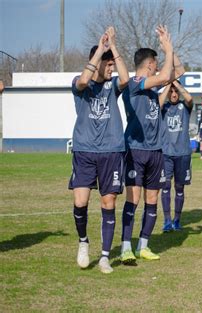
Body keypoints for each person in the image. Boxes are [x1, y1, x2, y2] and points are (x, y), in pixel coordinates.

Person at [120, 25, 184, 265]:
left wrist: (171, 49)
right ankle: (126, 247)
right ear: (148, 65)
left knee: (152, 199)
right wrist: (166, 50)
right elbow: (167, 75)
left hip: (156, 150)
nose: (158, 67)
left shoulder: (151, 88)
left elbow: (179, 71)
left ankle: (143, 245)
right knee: (133, 200)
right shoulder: (135, 82)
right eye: (156, 63)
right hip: (135, 149)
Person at [69, 27, 129, 274]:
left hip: (112, 151)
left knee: (109, 201)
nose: (111, 68)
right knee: (80, 201)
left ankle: (105, 256)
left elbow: (126, 79)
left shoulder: (113, 85)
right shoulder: (79, 82)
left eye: (111, 64)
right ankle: (83, 241)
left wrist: (113, 47)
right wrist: (99, 50)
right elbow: (84, 80)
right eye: (107, 64)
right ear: (96, 63)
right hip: (84, 150)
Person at [159, 80, 193, 232]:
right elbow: (159, 102)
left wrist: (176, 83)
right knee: (165, 186)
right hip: (166, 153)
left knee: (179, 188)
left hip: (182, 153)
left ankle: (177, 220)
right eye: (171, 92)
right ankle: (167, 221)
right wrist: (168, 85)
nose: (173, 94)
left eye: (175, 92)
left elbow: (190, 99)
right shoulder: (163, 107)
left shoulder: (184, 107)